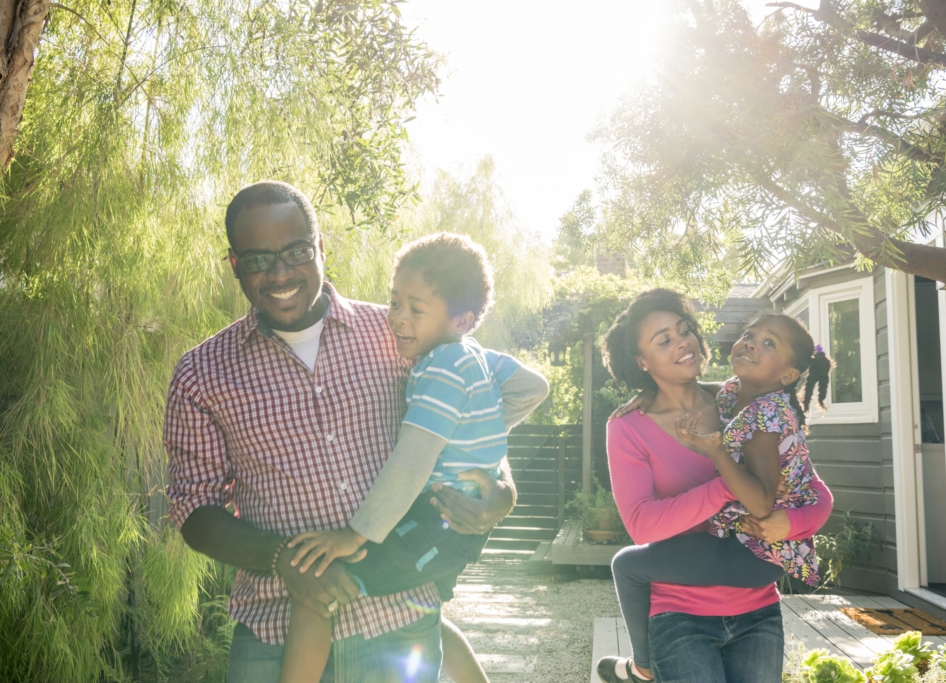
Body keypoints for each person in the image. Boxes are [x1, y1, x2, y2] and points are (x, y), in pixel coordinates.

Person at [164, 182, 547, 683]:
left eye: (297, 252)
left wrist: (501, 490)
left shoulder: (398, 335)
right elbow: (194, 510)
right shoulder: (202, 374)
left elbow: (465, 413)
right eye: (257, 259)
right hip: (277, 630)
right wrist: (283, 560)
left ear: (321, 248)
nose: (280, 273)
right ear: (235, 264)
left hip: (400, 623)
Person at [278, 233, 548, 683]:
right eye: (395, 302)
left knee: (319, 589)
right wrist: (476, 436)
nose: (399, 320)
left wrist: (353, 535)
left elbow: (410, 463)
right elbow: (534, 387)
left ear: (461, 319)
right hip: (455, 524)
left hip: (433, 518)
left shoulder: (441, 368)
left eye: (416, 310)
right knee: (421, 608)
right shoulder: (473, 355)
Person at [594, 289, 834, 683]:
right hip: (680, 616)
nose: (682, 342)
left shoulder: (736, 400)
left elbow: (815, 492)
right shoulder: (628, 427)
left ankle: (637, 670)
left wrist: (787, 525)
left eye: (683, 330)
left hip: (758, 612)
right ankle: (644, 668)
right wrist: (728, 487)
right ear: (641, 360)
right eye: (664, 340)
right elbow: (642, 525)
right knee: (627, 564)